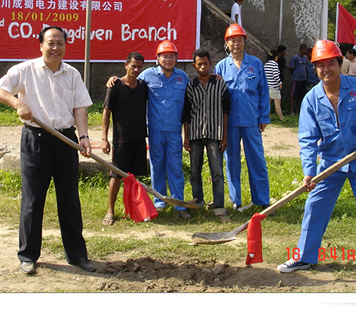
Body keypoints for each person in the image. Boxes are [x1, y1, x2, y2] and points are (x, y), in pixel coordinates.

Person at [277, 39, 356, 284]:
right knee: (314, 207)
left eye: (331, 63)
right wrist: (309, 172)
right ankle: (305, 257)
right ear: (315, 68)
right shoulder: (311, 99)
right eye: (320, 66)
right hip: (331, 164)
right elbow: (308, 138)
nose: (326, 70)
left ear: (339, 63)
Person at [0, 26, 96, 274]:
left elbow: (80, 106)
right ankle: (28, 255)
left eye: (60, 43)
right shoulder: (25, 70)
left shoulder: (72, 74)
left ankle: (77, 255)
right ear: (41, 45)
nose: (56, 47)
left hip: (66, 141)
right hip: (36, 139)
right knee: (33, 199)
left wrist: (83, 136)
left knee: (69, 199)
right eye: (51, 42)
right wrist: (18, 103)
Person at [108, 40, 191, 219]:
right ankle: (159, 202)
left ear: (176, 58)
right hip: (154, 130)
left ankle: (179, 205)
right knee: (157, 166)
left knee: (175, 167)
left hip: (174, 130)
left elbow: (187, 108)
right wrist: (113, 79)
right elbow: (128, 80)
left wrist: (187, 133)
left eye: (171, 56)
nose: (168, 59)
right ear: (158, 58)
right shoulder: (147, 75)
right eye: (164, 56)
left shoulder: (182, 78)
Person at [214, 24, 271, 211]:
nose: (236, 43)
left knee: (257, 159)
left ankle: (262, 199)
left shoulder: (255, 64)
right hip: (229, 123)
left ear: (245, 42)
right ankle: (235, 200)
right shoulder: (221, 67)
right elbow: (217, 97)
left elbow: (263, 92)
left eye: (239, 40)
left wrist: (263, 117)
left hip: (251, 120)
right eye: (232, 40)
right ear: (227, 43)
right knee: (232, 161)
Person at [182, 49, 231, 222]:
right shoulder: (190, 85)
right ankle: (199, 202)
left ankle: (219, 208)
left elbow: (226, 111)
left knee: (217, 172)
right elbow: (186, 113)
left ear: (211, 64)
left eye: (206, 63)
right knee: (195, 171)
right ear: (195, 66)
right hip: (195, 133)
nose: (203, 67)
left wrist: (224, 136)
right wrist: (186, 136)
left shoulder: (220, 84)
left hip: (215, 133)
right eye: (199, 64)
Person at [101, 52, 149, 226]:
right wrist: (104, 139)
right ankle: (110, 211)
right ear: (125, 65)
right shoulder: (115, 86)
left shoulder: (144, 86)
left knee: (133, 178)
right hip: (121, 140)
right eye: (133, 66)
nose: (136, 69)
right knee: (116, 175)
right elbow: (106, 112)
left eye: (139, 67)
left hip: (139, 138)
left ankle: (131, 209)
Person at [289, 44, 309, 115]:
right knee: (294, 96)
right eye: (306, 49)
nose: (307, 51)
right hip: (296, 79)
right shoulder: (295, 58)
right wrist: (295, 74)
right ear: (302, 49)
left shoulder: (305, 59)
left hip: (303, 79)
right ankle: (292, 111)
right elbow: (291, 68)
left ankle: (298, 110)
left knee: (301, 96)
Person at [264, 49, 284, 122]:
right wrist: (280, 82)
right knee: (277, 104)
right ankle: (281, 118)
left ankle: (268, 117)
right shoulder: (275, 64)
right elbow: (275, 75)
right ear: (276, 57)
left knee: (268, 104)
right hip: (274, 87)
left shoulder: (266, 65)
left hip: (267, 87)